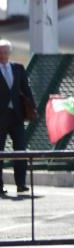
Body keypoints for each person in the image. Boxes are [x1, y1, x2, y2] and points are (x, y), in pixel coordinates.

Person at [0, 39, 34, 195]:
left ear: (9, 53)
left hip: (16, 116)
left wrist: (32, 107)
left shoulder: (18, 68)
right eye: (1, 52)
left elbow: (26, 89)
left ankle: (21, 184)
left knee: (20, 150)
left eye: (6, 52)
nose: (3, 55)